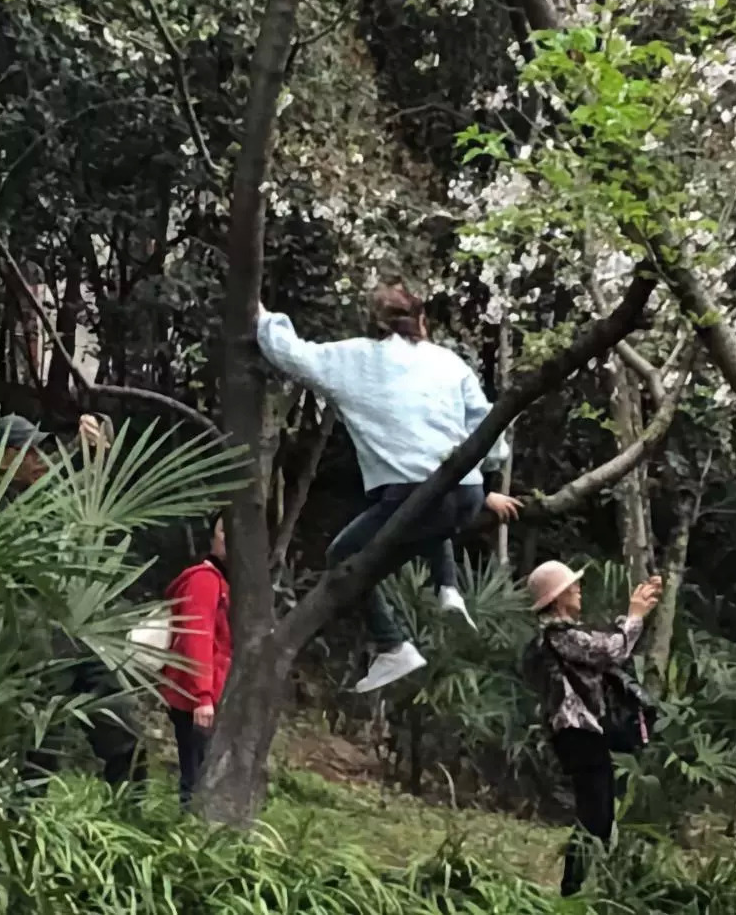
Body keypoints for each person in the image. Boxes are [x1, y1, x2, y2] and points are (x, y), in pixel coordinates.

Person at [257, 282, 521, 693]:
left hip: (408, 498)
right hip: (464, 494)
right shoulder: (449, 362)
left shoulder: (354, 358)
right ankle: (448, 589)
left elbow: (292, 354)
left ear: (373, 322)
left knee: (341, 554)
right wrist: (486, 472)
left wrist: (261, 316)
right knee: (433, 505)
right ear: (421, 320)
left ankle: (392, 643)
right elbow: (489, 430)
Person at [0, 411, 148, 790]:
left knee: (123, 731)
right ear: (4, 457)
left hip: (78, 635)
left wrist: (94, 443)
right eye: (30, 451)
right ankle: (23, 822)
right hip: (27, 649)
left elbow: (76, 480)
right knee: (39, 750)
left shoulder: (45, 495)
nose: (41, 459)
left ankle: (132, 809)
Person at [523, 561, 661, 897]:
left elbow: (608, 647)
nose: (578, 590)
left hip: (584, 733)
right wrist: (635, 615)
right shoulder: (559, 636)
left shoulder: (566, 635)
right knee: (595, 815)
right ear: (557, 598)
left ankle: (587, 885)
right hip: (576, 732)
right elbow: (611, 649)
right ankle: (571, 890)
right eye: (572, 586)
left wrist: (634, 615)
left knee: (601, 814)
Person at [161, 515, 231, 809]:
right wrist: (203, 696)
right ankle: (188, 830)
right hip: (196, 697)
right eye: (223, 531)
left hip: (211, 693)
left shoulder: (229, 583)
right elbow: (196, 636)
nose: (230, 538)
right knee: (197, 777)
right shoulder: (204, 580)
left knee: (203, 772)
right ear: (212, 538)